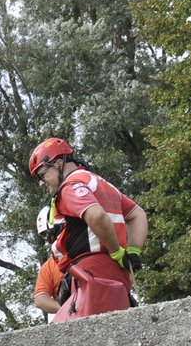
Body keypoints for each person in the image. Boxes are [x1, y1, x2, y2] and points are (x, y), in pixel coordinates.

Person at [29, 137, 150, 320]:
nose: (41, 182)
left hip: (92, 277)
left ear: (58, 163)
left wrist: (116, 250)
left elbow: (96, 215)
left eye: (42, 174)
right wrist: (132, 252)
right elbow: (138, 214)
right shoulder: (101, 183)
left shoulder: (69, 187)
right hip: (118, 277)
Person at [32, 206, 64, 316]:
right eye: (45, 236)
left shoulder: (90, 248)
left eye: (48, 235)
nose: (48, 240)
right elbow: (40, 299)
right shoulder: (49, 267)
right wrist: (66, 310)